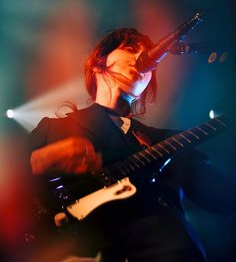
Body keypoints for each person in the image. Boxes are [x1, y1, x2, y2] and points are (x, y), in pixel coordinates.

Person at [29, 28, 236, 262]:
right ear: (99, 63)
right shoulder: (54, 129)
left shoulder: (169, 141)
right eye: (130, 49)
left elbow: (224, 198)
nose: (142, 58)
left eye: (148, 55)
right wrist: (40, 160)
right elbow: (9, 187)